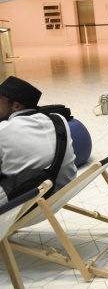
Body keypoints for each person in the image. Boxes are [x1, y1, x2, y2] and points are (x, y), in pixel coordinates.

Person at [0, 76, 77, 205]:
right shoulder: (59, 119)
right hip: (64, 192)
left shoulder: (3, 129)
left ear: (16, 106)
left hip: (27, 203)